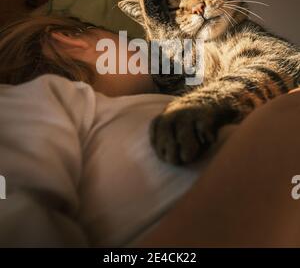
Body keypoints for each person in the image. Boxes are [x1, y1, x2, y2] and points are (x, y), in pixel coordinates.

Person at [0, 15, 299, 247]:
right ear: (69, 39)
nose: (140, 45)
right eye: (128, 39)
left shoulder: (145, 104)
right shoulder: (39, 96)